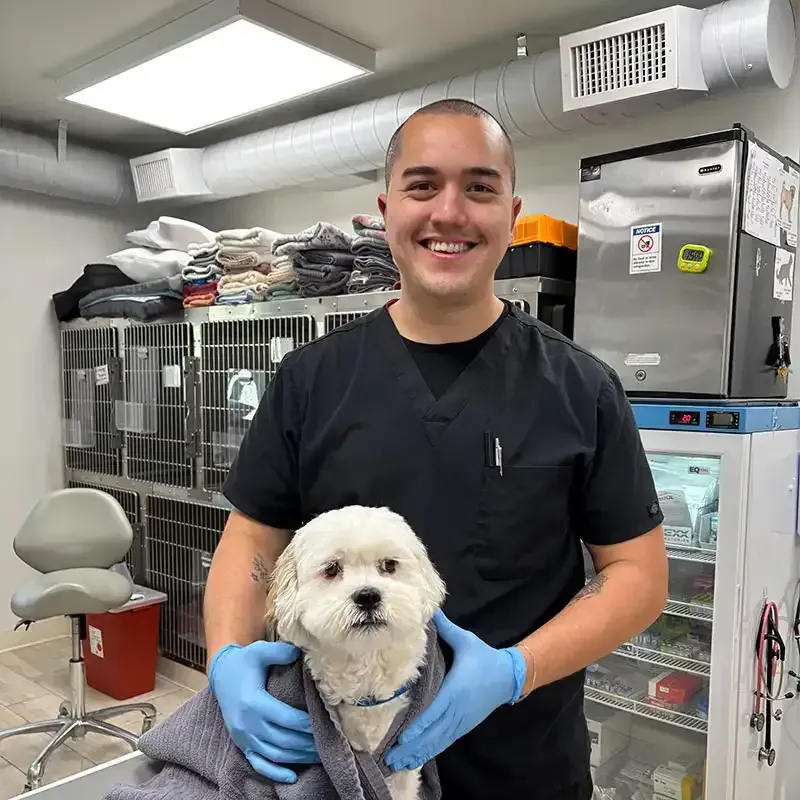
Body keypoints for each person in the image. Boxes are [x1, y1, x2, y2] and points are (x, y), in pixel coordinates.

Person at [203, 99, 668, 800]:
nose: (449, 212)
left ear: (511, 215)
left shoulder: (582, 388)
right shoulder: (311, 380)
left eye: (479, 188)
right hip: (341, 769)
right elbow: (253, 541)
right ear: (386, 210)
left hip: (525, 767)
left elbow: (638, 574)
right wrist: (228, 665)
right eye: (423, 186)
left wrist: (517, 669)